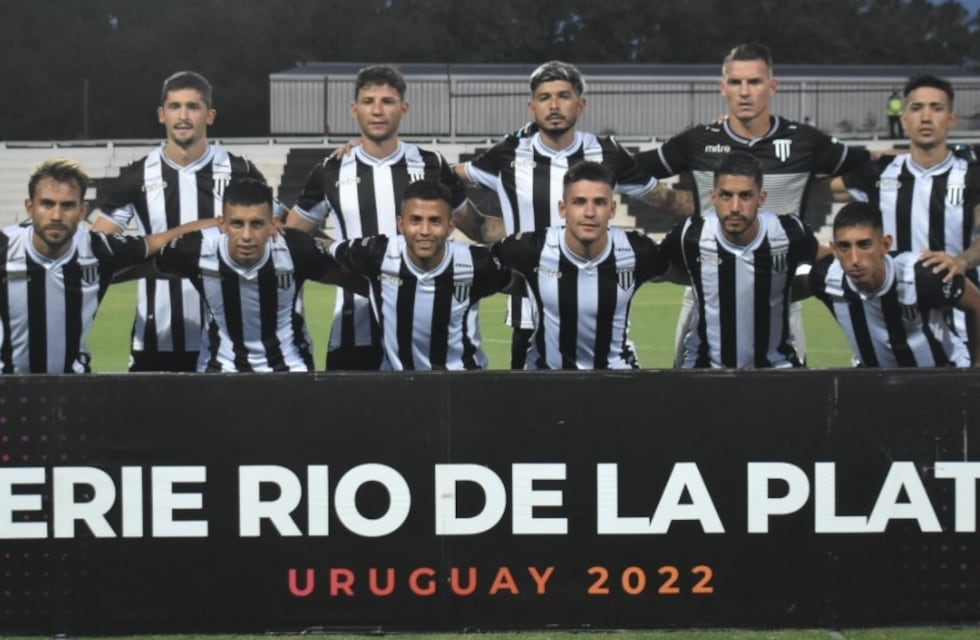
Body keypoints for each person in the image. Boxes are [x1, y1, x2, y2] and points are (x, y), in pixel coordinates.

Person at [635, 43, 871, 365]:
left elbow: (865, 165)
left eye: (755, 82)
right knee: (689, 390)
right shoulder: (699, 141)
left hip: (781, 289)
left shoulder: (804, 141)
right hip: (705, 289)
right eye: (736, 82)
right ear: (723, 88)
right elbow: (634, 170)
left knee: (783, 392)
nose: (745, 92)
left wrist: (818, 190)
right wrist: (676, 201)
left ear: (772, 87)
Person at [454, 60, 663, 368]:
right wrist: (483, 227)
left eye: (563, 96)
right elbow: (445, 178)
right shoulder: (508, 154)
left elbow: (667, 201)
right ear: (531, 106)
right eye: (544, 97)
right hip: (528, 309)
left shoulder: (607, 153)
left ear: (581, 104)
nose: (554, 105)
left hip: (597, 297)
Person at [285, 64, 480, 371]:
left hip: (425, 326)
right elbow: (292, 235)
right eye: (368, 101)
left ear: (403, 108)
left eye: (387, 102)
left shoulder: (431, 165)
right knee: (356, 419)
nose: (377, 110)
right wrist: (341, 253)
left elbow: (476, 226)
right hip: (354, 327)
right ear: (354, 109)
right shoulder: (331, 170)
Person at [90, 71, 267, 372]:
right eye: (174, 106)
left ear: (209, 116)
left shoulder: (240, 170)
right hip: (156, 336)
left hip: (228, 339)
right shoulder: (135, 176)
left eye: (193, 107)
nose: (183, 116)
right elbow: (99, 247)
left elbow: (277, 230)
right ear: (161, 115)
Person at [0, 158, 213, 373]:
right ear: (30, 207)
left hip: (73, 389)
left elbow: (159, 240)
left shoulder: (96, 248)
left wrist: (221, 224)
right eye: (47, 204)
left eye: (67, 206)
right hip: (8, 390)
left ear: (83, 210)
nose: (56, 216)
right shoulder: (4, 247)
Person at [832, 75, 980, 340]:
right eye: (916, 108)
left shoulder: (972, 176)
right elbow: (813, 187)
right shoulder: (878, 173)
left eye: (936, 108)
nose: (926, 117)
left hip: (958, 329)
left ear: (951, 119)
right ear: (904, 120)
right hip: (890, 328)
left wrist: (961, 261)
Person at [155, 178, 354, 373]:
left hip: (290, 370)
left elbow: (354, 279)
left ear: (273, 224)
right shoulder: (196, 249)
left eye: (257, 224)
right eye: (237, 224)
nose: (247, 236)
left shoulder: (296, 248)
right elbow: (142, 264)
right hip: (220, 370)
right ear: (222, 224)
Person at [490, 161, 670, 369]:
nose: (590, 213)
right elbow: (479, 271)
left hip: (617, 378)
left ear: (612, 210)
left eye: (600, 202)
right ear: (563, 208)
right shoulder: (531, 248)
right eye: (579, 202)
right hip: (547, 379)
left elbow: (681, 272)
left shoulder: (637, 250)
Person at [659, 152, 827, 369]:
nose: (735, 207)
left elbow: (825, 261)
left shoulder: (790, 233)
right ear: (714, 197)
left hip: (777, 370)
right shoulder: (690, 235)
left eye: (746, 196)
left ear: (762, 198)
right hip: (704, 372)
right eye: (726, 195)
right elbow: (656, 266)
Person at [325, 180, 510, 370]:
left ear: (450, 227)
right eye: (415, 220)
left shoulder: (477, 262)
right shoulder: (377, 253)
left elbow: (522, 284)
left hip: (462, 384)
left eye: (435, 221)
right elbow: (323, 247)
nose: (424, 231)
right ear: (401, 224)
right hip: (399, 386)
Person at [807, 201, 980, 367]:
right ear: (834, 250)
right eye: (844, 247)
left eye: (864, 245)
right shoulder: (825, 278)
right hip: (877, 384)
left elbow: (977, 304)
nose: (855, 259)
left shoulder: (924, 274)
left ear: (885, 245)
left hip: (943, 377)